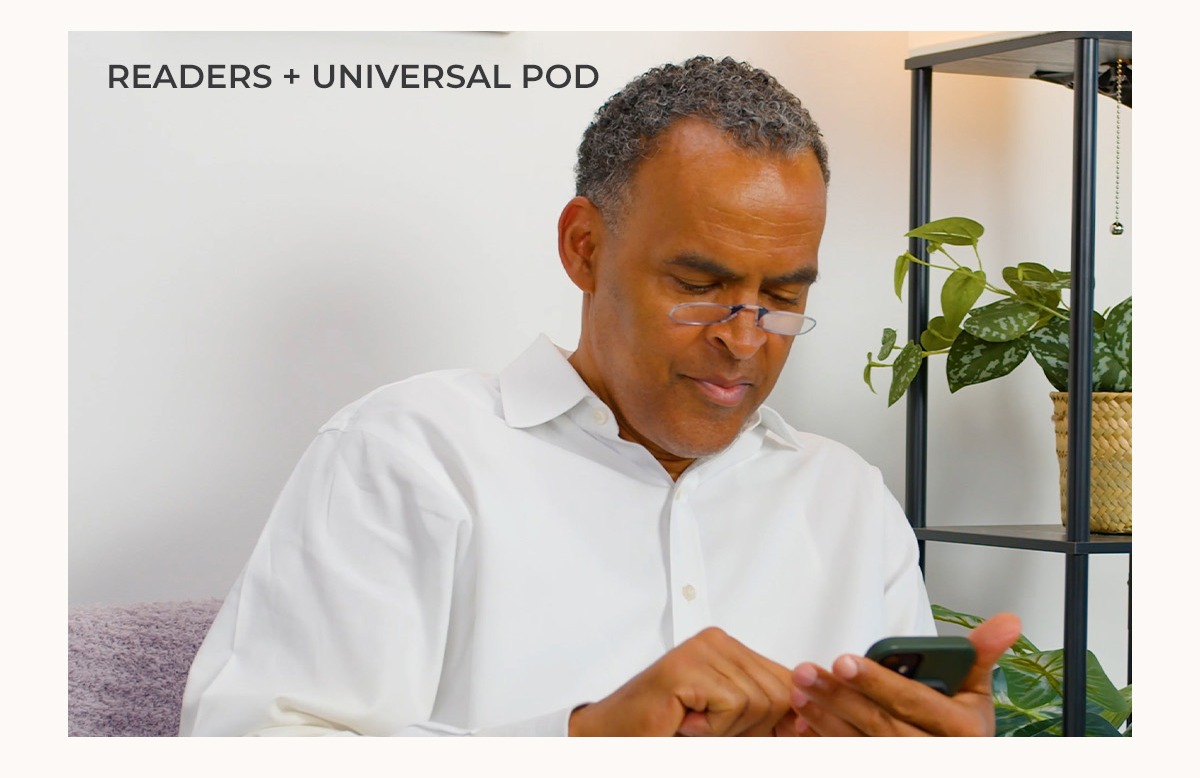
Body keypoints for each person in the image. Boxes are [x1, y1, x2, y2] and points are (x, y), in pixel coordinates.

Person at [179, 55, 1019, 737]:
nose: (745, 335)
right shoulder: (412, 453)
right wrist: (586, 741)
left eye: (785, 297)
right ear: (584, 247)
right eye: (699, 283)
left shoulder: (848, 502)